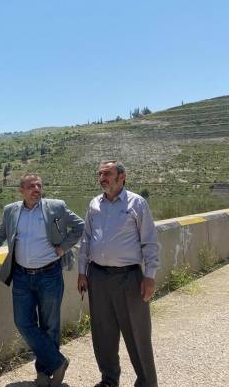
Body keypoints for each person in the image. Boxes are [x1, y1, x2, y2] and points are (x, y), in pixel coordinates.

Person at [0, 174, 84, 387]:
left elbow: (80, 226)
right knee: (23, 322)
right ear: (21, 190)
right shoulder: (11, 210)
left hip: (49, 275)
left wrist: (63, 247)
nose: (36, 189)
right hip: (21, 276)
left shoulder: (56, 206)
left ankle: (44, 374)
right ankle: (58, 362)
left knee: (50, 326)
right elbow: (0, 234)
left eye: (39, 185)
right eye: (31, 186)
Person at [77, 161, 160, 387]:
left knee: (137, 333)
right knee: (102, 333)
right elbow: (86, 239)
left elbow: (150, 242)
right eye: (100, 174)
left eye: (107, 173)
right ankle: (109, 379)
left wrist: (149, 276)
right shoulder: (94, 203)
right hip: (97, 276)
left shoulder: (137, 203)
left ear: (122, 176)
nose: (102, 178)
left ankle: (146, 382)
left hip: (128, 277)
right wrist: (82, 272)